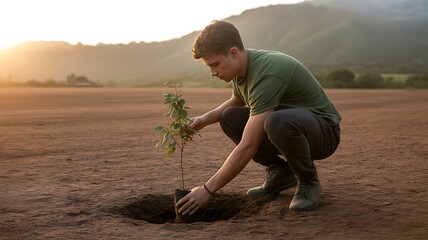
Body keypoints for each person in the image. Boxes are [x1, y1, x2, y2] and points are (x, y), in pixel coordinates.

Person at [176, 20, 341, 216]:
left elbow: (248, 145)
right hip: (294, 128)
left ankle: (308, 180)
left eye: (215, 64)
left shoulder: (266, 72)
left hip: (324, 132)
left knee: (275, 121)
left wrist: (208, 189)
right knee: (229, 117)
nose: (213, 73)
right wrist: (204, 119)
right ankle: (281, 172)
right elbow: (235, 101)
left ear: (234, 52)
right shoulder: (241, 68)